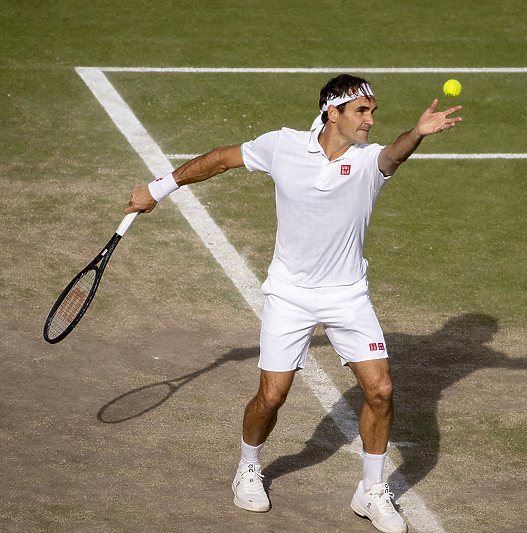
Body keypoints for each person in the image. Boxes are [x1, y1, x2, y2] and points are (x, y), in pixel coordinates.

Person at [124, 74, 462, 533]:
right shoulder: (281, 146)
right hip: (290, 294)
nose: (370, 120)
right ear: (332, 112)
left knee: (380, 391)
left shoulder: (368, 161)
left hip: (347, 295)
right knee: (272, 395)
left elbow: (393, 153)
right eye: (361, 111)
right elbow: (222, 160)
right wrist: (158, 189)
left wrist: (418, 133)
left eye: (373, 111)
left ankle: (371, 490)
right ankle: (248, 466)